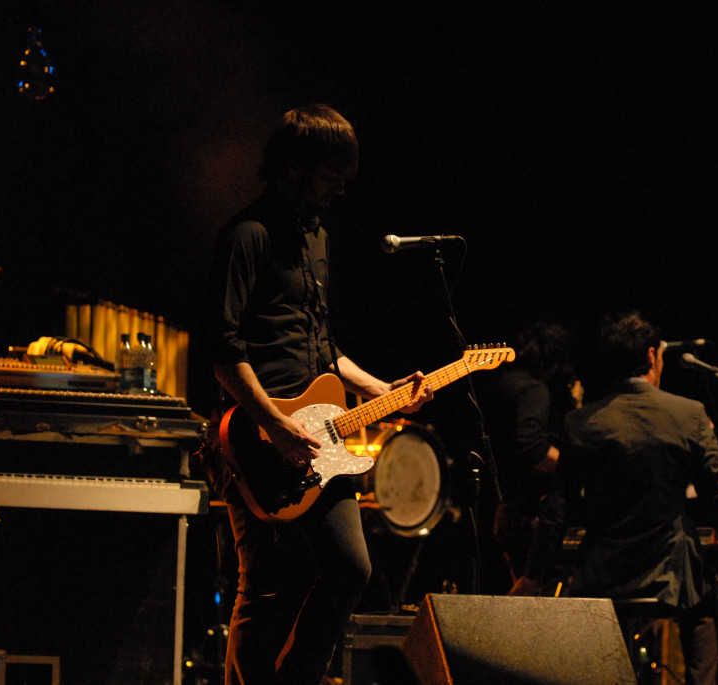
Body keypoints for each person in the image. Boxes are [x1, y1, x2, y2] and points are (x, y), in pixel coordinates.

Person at [201, 104, 432, 685]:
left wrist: (379, 389)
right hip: (254, 439)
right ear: (293, 167)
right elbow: (223, 350)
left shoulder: (317, 239)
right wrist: (276, 424)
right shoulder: (246, 236)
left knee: (350, 568)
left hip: (320, 436)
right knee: (266, 587)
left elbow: (323, 349)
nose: (341, 189)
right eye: (332, 174)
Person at [560, 311, 718, 685]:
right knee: (704, 612)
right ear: (652, 356)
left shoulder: (581, 423)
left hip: (604, 575)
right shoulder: (689, 413)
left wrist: (536, 572)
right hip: (670, 574)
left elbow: (562, 504)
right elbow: (715, 487)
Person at [484, 321, 580, 596]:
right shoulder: (533, 390)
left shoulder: (503, 383)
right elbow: (531, 446)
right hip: (524, 510)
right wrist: (573, 468)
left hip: (497, 503)